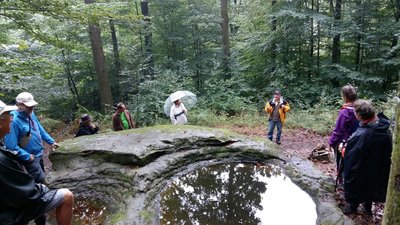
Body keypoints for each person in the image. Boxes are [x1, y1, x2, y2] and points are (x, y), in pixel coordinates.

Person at [0, 100, 74, 225]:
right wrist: (27, 156)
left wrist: (50, 141)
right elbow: (24, 193)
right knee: (64, 195)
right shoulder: (3, 159)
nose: (11, 119)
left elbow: (40, 129)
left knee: (40, 182)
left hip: (38, 156)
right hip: (7, 215)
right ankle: (41, 220)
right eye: (8, 116)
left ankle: (41, 218)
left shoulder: (31, 115)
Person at [342, 100, 392, 215]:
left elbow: (351, 158)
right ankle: (367, 208)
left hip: (364, 167)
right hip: (376, 166)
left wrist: (344, 149)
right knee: (370, 183)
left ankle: (353, 206)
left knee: (359, 182)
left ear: (359, 115)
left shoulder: (363, 134)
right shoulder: (383, 127)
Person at [328, 85, 358, 176]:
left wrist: (331, 142)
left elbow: (338, 130)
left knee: (341, 163)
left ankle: (341, 183)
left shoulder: (344, 112)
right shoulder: (359, 109)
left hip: (343, 144)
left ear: (345, 97)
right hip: (357, 142)